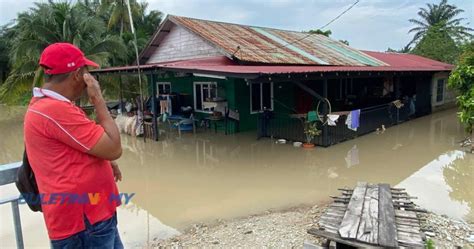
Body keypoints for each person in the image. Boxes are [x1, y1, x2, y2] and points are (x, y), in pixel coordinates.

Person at [23, 42, 123, 248]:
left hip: (91, 216)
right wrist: (97, 98)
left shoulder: (51, 106)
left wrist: (103, 160)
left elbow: (87, 146)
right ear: (78, 75)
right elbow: (114, 148)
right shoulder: (55, 110)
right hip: (83, 223)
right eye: (86, 72)